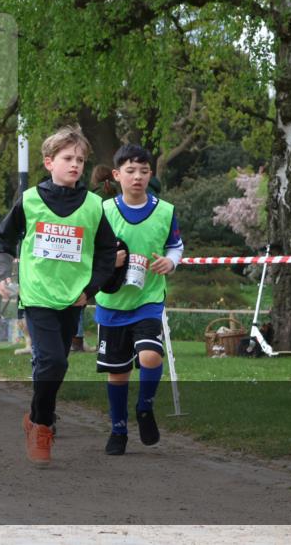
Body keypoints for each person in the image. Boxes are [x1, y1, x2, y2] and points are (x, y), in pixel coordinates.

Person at [0, 125, 122, 465]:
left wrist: (90, 290)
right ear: (49, 162)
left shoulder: (95, 205)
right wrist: (2, 273)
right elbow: (4, 238)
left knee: (55, 365)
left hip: (73, 297)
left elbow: (108, 253)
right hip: (37, 295)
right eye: (67, 158)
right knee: (54, 361)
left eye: (80, 160)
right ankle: (42, 426)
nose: (75, 165)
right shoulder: (30, 199)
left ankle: (36, 415)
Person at [95, 144, 183, 456]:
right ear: (117, 175)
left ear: (151, 175)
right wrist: (110, 262)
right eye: (130, 171)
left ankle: (144, 407)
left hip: (149, 299)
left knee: (149, 357)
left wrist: (170, 262)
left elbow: (176, 245)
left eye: (144, 171)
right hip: (112, 303)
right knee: (118, 372)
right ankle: (118, 428)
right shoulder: (103, 211)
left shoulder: (165, 210)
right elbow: (91, 253)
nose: (137, 177)